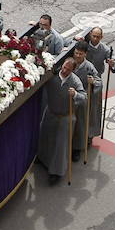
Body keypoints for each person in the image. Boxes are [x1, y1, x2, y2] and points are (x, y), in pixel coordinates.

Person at [38, 56, 86, 185]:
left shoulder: (75, 82)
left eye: (68, 69)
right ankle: (43, 160)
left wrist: (75, 94)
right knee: (45, 138)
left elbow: (83, 97)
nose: (64, 70)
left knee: (60, 146)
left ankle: (56, 172)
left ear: (73, 70)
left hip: (66, 117)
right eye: (64, 67)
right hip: (51, 113)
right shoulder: (52, 75)